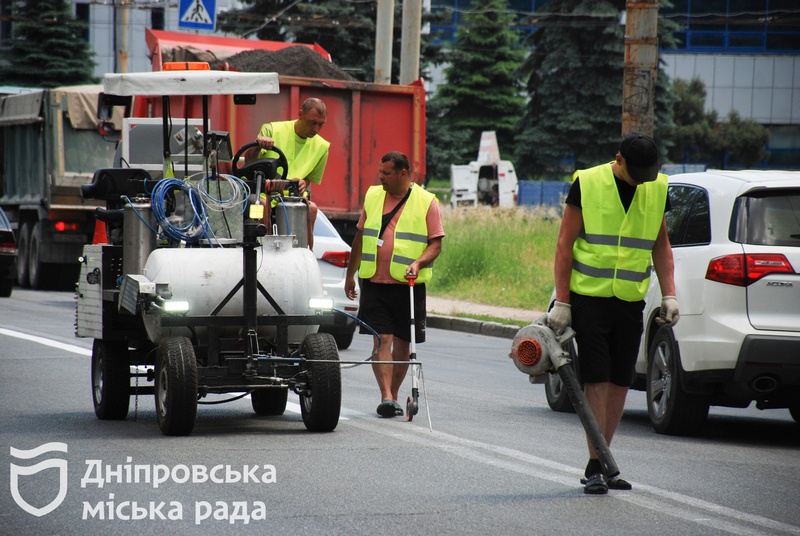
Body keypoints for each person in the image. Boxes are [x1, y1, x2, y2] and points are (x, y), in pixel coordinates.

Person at [548, 132, 679, 495]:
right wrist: (563, 301)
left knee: (622, 380)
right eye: (635, 172)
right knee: (598, 378)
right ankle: (595, 464)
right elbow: (564, 246)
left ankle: (606, 460)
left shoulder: (656, 185)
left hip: (629, 299)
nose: (641, 180)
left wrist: (670, 294)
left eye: (646, 173)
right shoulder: (586, 183)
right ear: (618, 160)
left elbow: (661, 245)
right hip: (590, 297)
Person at [344, 152, 445, 418]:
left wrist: (419, 262)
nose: (381, 177)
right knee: (382, 339)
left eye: (386, 173)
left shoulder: (427, 202)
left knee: (402, 344)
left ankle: (396, 394)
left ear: (403, 173)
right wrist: (349, 274)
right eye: (380, 172)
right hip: (375, 282)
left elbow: (436, 243)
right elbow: (361, 237)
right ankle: (385, 396)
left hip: (408, 286)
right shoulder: (373, 195)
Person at [244, 97, 329, 249]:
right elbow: (249, 161)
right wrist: (258, 145)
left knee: (312, 208)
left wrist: (304, 182)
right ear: (300, 114)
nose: (316, 129)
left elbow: (309, 178)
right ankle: (268, 251)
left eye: (321, 125)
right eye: (312, 123)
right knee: (263, 205)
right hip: (261, 192)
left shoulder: (322, 147)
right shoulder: (272, 130)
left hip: (291, 196)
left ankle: (305, 253)